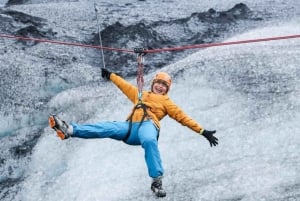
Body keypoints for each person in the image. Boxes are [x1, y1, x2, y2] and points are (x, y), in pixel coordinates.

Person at [48, 68, 218, 198]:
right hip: (130, 128)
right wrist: (111, 75)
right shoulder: (140, 95)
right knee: (108, 128)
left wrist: (203, 132)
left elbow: (183, 118)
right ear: (153, 83)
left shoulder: (167, 103)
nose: (160, 86)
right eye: (158, 82)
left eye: (164, 85)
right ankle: (69, 130)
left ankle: (156, 181)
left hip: (148, 126)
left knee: (149, 140)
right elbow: (124, 86)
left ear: (167, 89)